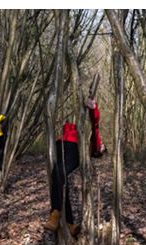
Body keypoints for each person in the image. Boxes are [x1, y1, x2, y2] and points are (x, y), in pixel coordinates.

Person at [43, 98, 107, 237]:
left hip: (74, 148)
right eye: (103, 145)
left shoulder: (92, 142)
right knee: (58, 179)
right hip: (61, 144)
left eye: (102, 148)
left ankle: (55, 214)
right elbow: (69, 126)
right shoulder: (82, 132)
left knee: (60, 174)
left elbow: (95, 122)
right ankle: (70, 224)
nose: (102, 144)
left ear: (96, 152)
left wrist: (93, 107)